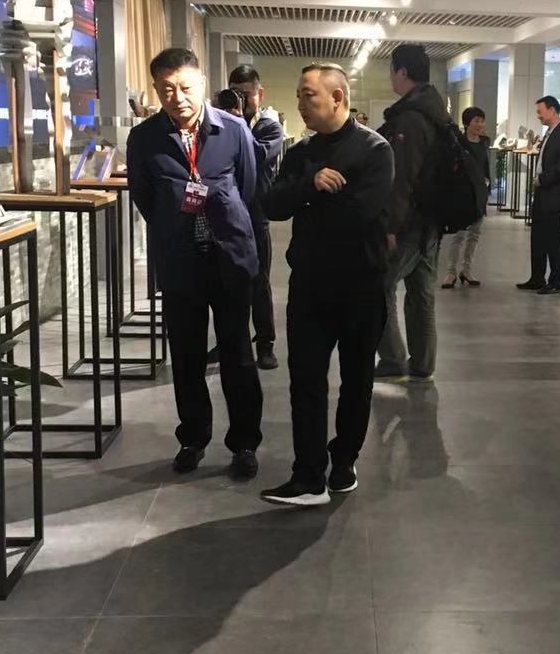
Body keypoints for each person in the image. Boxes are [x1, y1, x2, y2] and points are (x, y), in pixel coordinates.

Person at [259, 64, 394, 507]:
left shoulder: (375, 150)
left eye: (308, 95)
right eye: (299, 95)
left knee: (357, 380)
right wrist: (312, 186)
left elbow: (360, 215)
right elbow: (272, 204)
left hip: (361, 286)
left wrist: (307, 201)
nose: (301, 103)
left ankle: (344, 461)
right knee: (306, 381)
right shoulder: (300, 153)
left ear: (337, 98)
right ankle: (308, 475)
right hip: (309, 286)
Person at [126, 47, 263, 477]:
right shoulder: (144, 139)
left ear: (202, 84)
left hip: (229, 259)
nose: (178, 97)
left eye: (185, 87)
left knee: (238, 354)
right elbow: (145, 198)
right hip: (180, 261)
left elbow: (249, 189)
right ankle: (193, 438)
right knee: (185, 357)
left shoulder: (233, 130)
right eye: (167, 89)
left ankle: (244, 444)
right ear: (156, 90)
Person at [374, 43, 449, 383]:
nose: (391, 77)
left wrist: (390, 225)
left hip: (408, 223)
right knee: (421, 292)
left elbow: (403, 177)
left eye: (392, 70)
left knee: (379, 285)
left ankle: (392, 358)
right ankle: (423, 363)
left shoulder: (411, 118)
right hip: (431, 219)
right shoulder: (437, 112)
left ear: (402, 72)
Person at [228, 63, 284, 370]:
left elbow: (258, 156)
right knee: (227, 284)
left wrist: (237, 124)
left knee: (258, 283)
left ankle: (265, 344)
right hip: (226, 213)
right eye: (234, 93)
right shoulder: (221, 122)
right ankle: (231, 342)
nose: (240, 99)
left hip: (255, 213)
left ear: (259, 93)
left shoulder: (270, 126)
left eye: (245, 94)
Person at [517, 95, 560, 295]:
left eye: (540, 111)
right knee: (538, 238)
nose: (538, 115)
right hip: (543, 194)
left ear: (552, 110)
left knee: (554, 241)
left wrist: (543, 179)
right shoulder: (550, 133)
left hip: (555, 196)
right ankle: (537, 278)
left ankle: (556, 281)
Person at [442, 106, 490, 288]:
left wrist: (487, 186)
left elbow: (485, 168)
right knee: (459, 235)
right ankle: (451, 272)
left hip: (480, 195)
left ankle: (466, 270)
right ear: (467, 123)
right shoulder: (459, 143)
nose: (480, 124)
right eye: (476, 121)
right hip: (463, 195)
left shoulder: (484, 143)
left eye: (482, 121)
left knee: (474, 235)